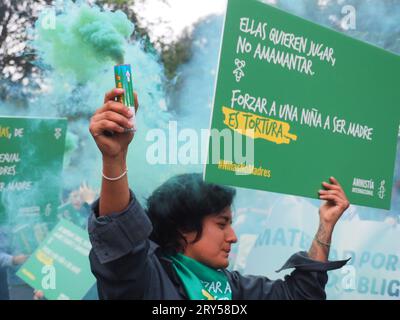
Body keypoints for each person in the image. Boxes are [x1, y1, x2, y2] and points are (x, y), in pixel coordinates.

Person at [88, 88, 350, 300]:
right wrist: (115, 158)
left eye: (231, 224)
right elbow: (119, 238)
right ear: (184, 229)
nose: (233, 237)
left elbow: (300, 296)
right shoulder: (146, 279)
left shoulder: (230, 288)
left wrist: (326, 224)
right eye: (222, 224)